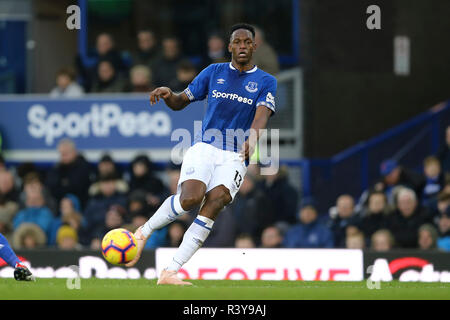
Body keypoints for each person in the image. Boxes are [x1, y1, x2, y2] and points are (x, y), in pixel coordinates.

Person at [125, 23, 277, 286]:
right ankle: (143, 232)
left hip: (235, 155)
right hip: (206, 146)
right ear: (229, 47)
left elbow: (262, 114)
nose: (242, 46)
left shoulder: (266, 81)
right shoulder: (213, 72)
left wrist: (253, 137)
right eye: (237, 42)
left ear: (254, 46)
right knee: (190, 199)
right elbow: (181, 101)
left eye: (247, 42)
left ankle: (170, 272)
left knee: (215, 202)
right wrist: (168, 94)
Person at [46, 138, 94, 208]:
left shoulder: (84, 167)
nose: (63, 157)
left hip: (82, 207)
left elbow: (77, 188)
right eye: (61, 154)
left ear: (74, 152)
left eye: (65, 154)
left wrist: (63, 185)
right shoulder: (56, 168)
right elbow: (51, 187)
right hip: (59, 207)